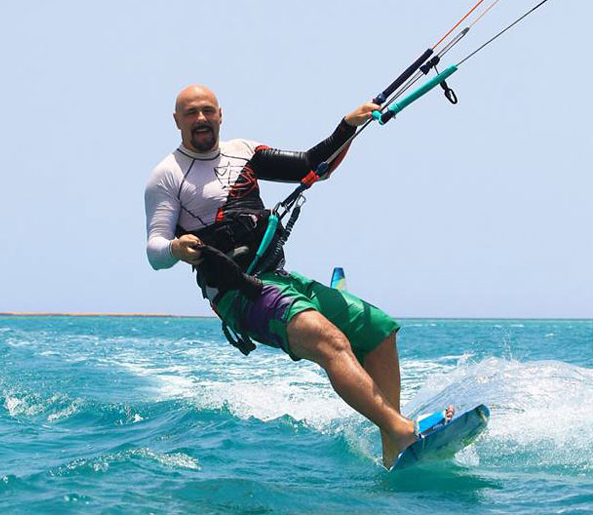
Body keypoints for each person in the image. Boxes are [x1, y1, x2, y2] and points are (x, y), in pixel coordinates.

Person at [145, 84, 452, 467]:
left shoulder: (244, 152)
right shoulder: (167, 175)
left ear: (221, 114)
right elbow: (154, 249)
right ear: (177, 120)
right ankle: (402, 430)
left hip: (278, 277)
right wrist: (175, 248)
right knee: (329, 340)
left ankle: (394, 449)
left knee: (379, 330)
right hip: (237, 293)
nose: (201, 118)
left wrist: (347, 126)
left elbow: (310, 165)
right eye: (191, 113)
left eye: (208, 110)